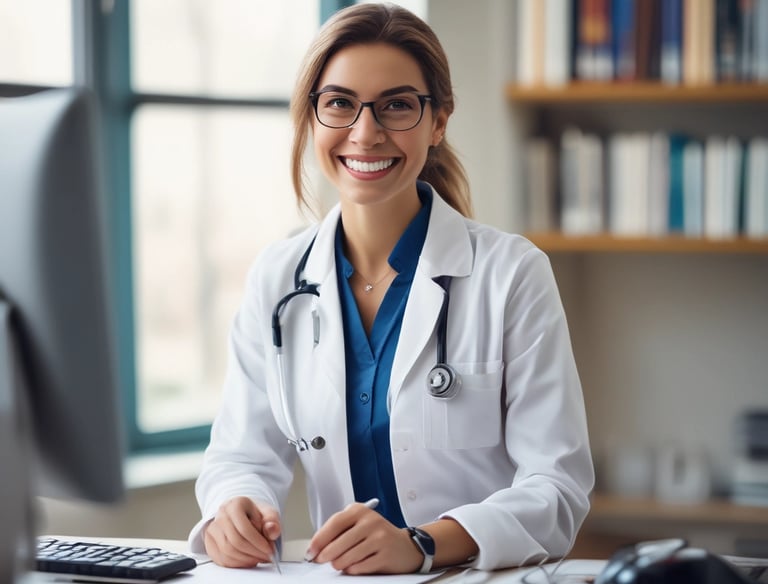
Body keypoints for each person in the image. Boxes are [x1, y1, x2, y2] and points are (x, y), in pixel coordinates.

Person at [188, 2, 594, 575]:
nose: (365, 132)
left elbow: (558, 488)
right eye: (339, 104)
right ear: (311, 117)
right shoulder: (278, 277)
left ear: (439, 120)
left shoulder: (512, 273)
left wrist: (422, 543)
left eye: (397, 105)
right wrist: (237, 509)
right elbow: (241, 453)